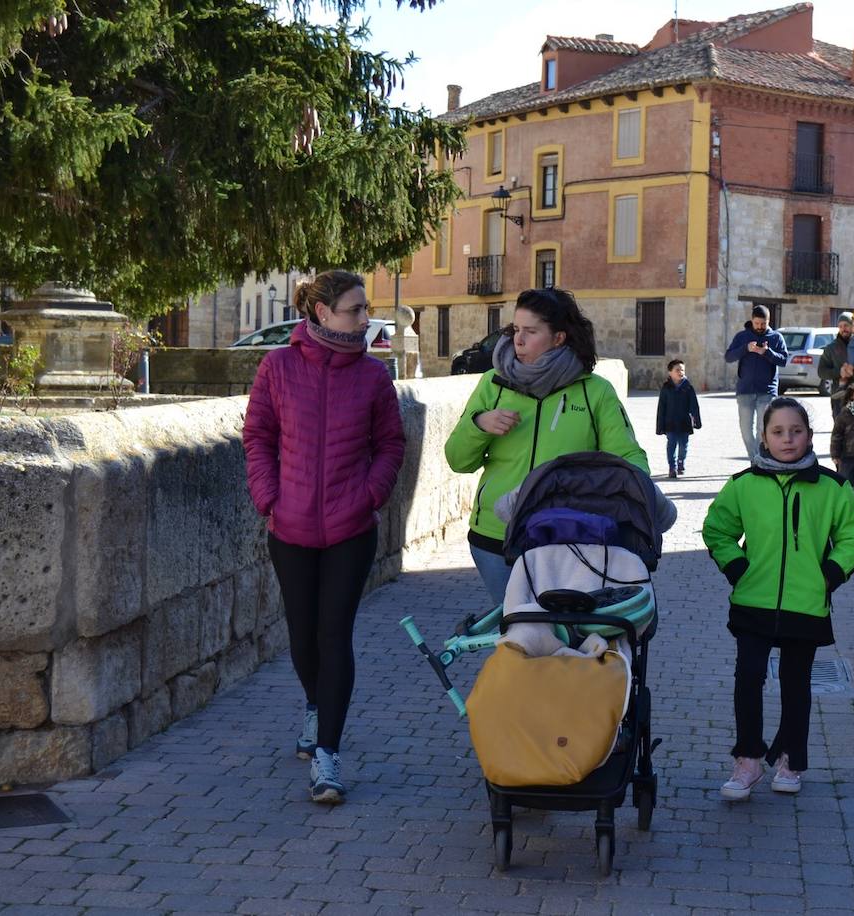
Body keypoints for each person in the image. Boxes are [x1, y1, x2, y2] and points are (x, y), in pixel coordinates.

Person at [243, 269, 406, 805]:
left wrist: (369, 496)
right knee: (302, 635)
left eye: (365, 308)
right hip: (288, 528)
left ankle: (328, 755)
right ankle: (315, 706)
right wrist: (269, 498)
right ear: (321, 312)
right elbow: (259, 436)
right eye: (354, 309)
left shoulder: (373, 378)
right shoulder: (278, 366)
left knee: (335, 636)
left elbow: (390, 445)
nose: (365, 318)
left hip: (350, 529)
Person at [702, 397, 854, 800]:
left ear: (810, 436)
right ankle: (747, 760)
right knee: (748, 677)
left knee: (796, 684)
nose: (787, 439)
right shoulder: (743, 484)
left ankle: (791, 759)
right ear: (763, 437)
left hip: (806, 603)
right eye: (777, 432)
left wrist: (830, 573)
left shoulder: (832, 487)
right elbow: (717, 529)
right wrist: (737, 568)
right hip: (752, 600)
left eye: (796, 431)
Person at [444, 288, 649, 605]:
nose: (518, 341)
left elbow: (627, 458)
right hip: (495, 538)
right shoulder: (493, 384)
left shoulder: (595, 392)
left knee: (560, 637)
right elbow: (458, 460)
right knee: (516, 633)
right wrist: (479, 424)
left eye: (531, 331)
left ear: (558, 338)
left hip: (569, 538)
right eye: (515, 330)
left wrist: (641, 500)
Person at [724, 304, 788, 459]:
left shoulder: (776, 337)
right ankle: (755, 460)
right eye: (757, 323)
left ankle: (760, 461)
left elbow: (784, 360)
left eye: (763, 324)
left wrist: (767, 352)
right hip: (745, 391)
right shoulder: (742, 337)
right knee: (746, 431)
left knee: (762, 429)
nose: (760, 327)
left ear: (768, 321)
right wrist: (746, 348)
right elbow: (728, 357)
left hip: (767, 391)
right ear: (752, 320)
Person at [655, 358, 701, 479]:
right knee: (671, 444)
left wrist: (697, 421)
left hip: (684, 422)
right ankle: (672, 467)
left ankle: (681, 462)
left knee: (683, 445)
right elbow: (661, 408)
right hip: (670, 422)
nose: (681, 372)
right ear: (670, 372)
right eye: (677, 370)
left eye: (682, 370)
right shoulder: (666, 388)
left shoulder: (688, 387)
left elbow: (694, 405)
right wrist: (660, 426)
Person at [816, 316, 854, 418]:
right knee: (839, 431)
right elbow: (821, 371)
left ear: (852, 326)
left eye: (846, 325)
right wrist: (839, 372)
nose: (843, 329)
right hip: (838, 396)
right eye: (840, 326)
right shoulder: (831, 348)